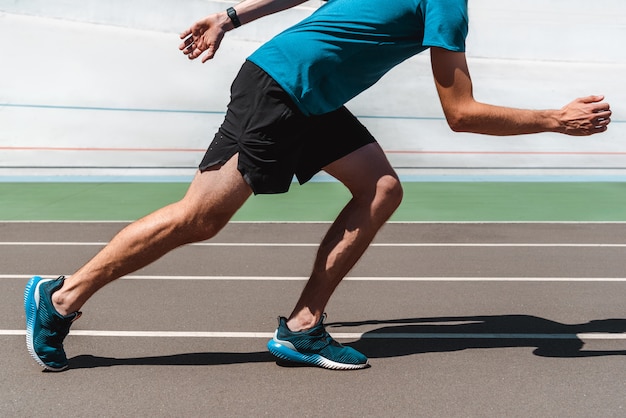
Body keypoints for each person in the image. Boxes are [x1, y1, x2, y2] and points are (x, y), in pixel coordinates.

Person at [24, 0, 611, 372]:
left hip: (308, 96)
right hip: (284, 89)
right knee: (200, 218)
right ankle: (59, 299)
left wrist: (229, 19)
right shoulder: (447, 4)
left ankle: (304, 326)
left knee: (380, 187)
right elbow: (460, 113)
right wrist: (555, 121)